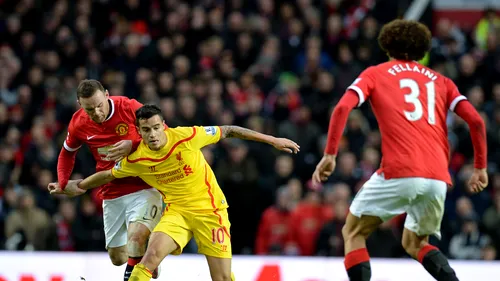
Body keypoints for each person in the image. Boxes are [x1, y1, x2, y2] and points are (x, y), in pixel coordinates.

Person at [312, 19, 488, 281]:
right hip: (437, 178)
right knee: (415, 243)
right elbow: (476, 121)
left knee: (353, 232)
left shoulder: (376, 73)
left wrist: (330, 154)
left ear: (387, 46)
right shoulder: (442, 82)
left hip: (399, 170)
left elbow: (341, 108)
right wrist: (480, 168)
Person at [50, 104, 300, 281]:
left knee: (222, 278)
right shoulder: (137, 158)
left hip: (210, 212)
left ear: (163, 126)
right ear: (139, 130)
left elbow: (230, 130)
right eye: (146, 130)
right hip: (177, 214)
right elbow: (108, 175)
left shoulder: (186, 136)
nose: (152, 134)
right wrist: (79, 186)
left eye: (156, 128)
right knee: (149, 259)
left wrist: (273, 140)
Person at [52, 80, 163, 280]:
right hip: (111, 190)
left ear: (107, 94)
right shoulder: (78, 123)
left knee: (136, 238)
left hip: (144, 185)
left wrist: (134, 143)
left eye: (99, 105)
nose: (96, 112)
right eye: (89, 109)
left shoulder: (129, 108)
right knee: (118, 257)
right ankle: (147, 259)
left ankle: (143, 264)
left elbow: (163, 133)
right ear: (79, 103)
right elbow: (66, 154)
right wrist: (63, 184)